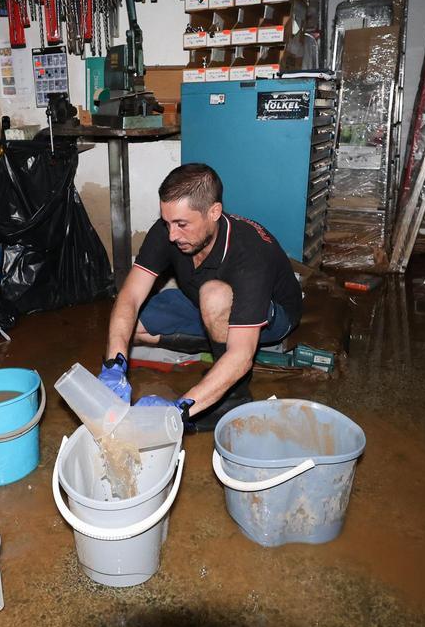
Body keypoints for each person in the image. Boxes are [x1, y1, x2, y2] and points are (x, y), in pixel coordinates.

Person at [99, 163, 302, 431]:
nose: (172, 235)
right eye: (167, 222)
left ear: (214, 212)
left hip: (272, 316)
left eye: (182, 224)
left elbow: (242, 355)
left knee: (213, 295)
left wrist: (180, 409)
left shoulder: (249, 254)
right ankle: (214, 341)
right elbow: (130, 296)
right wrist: (115, 362)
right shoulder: (169, 231)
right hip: (205, 304)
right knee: (131, 325)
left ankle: (232, 398)